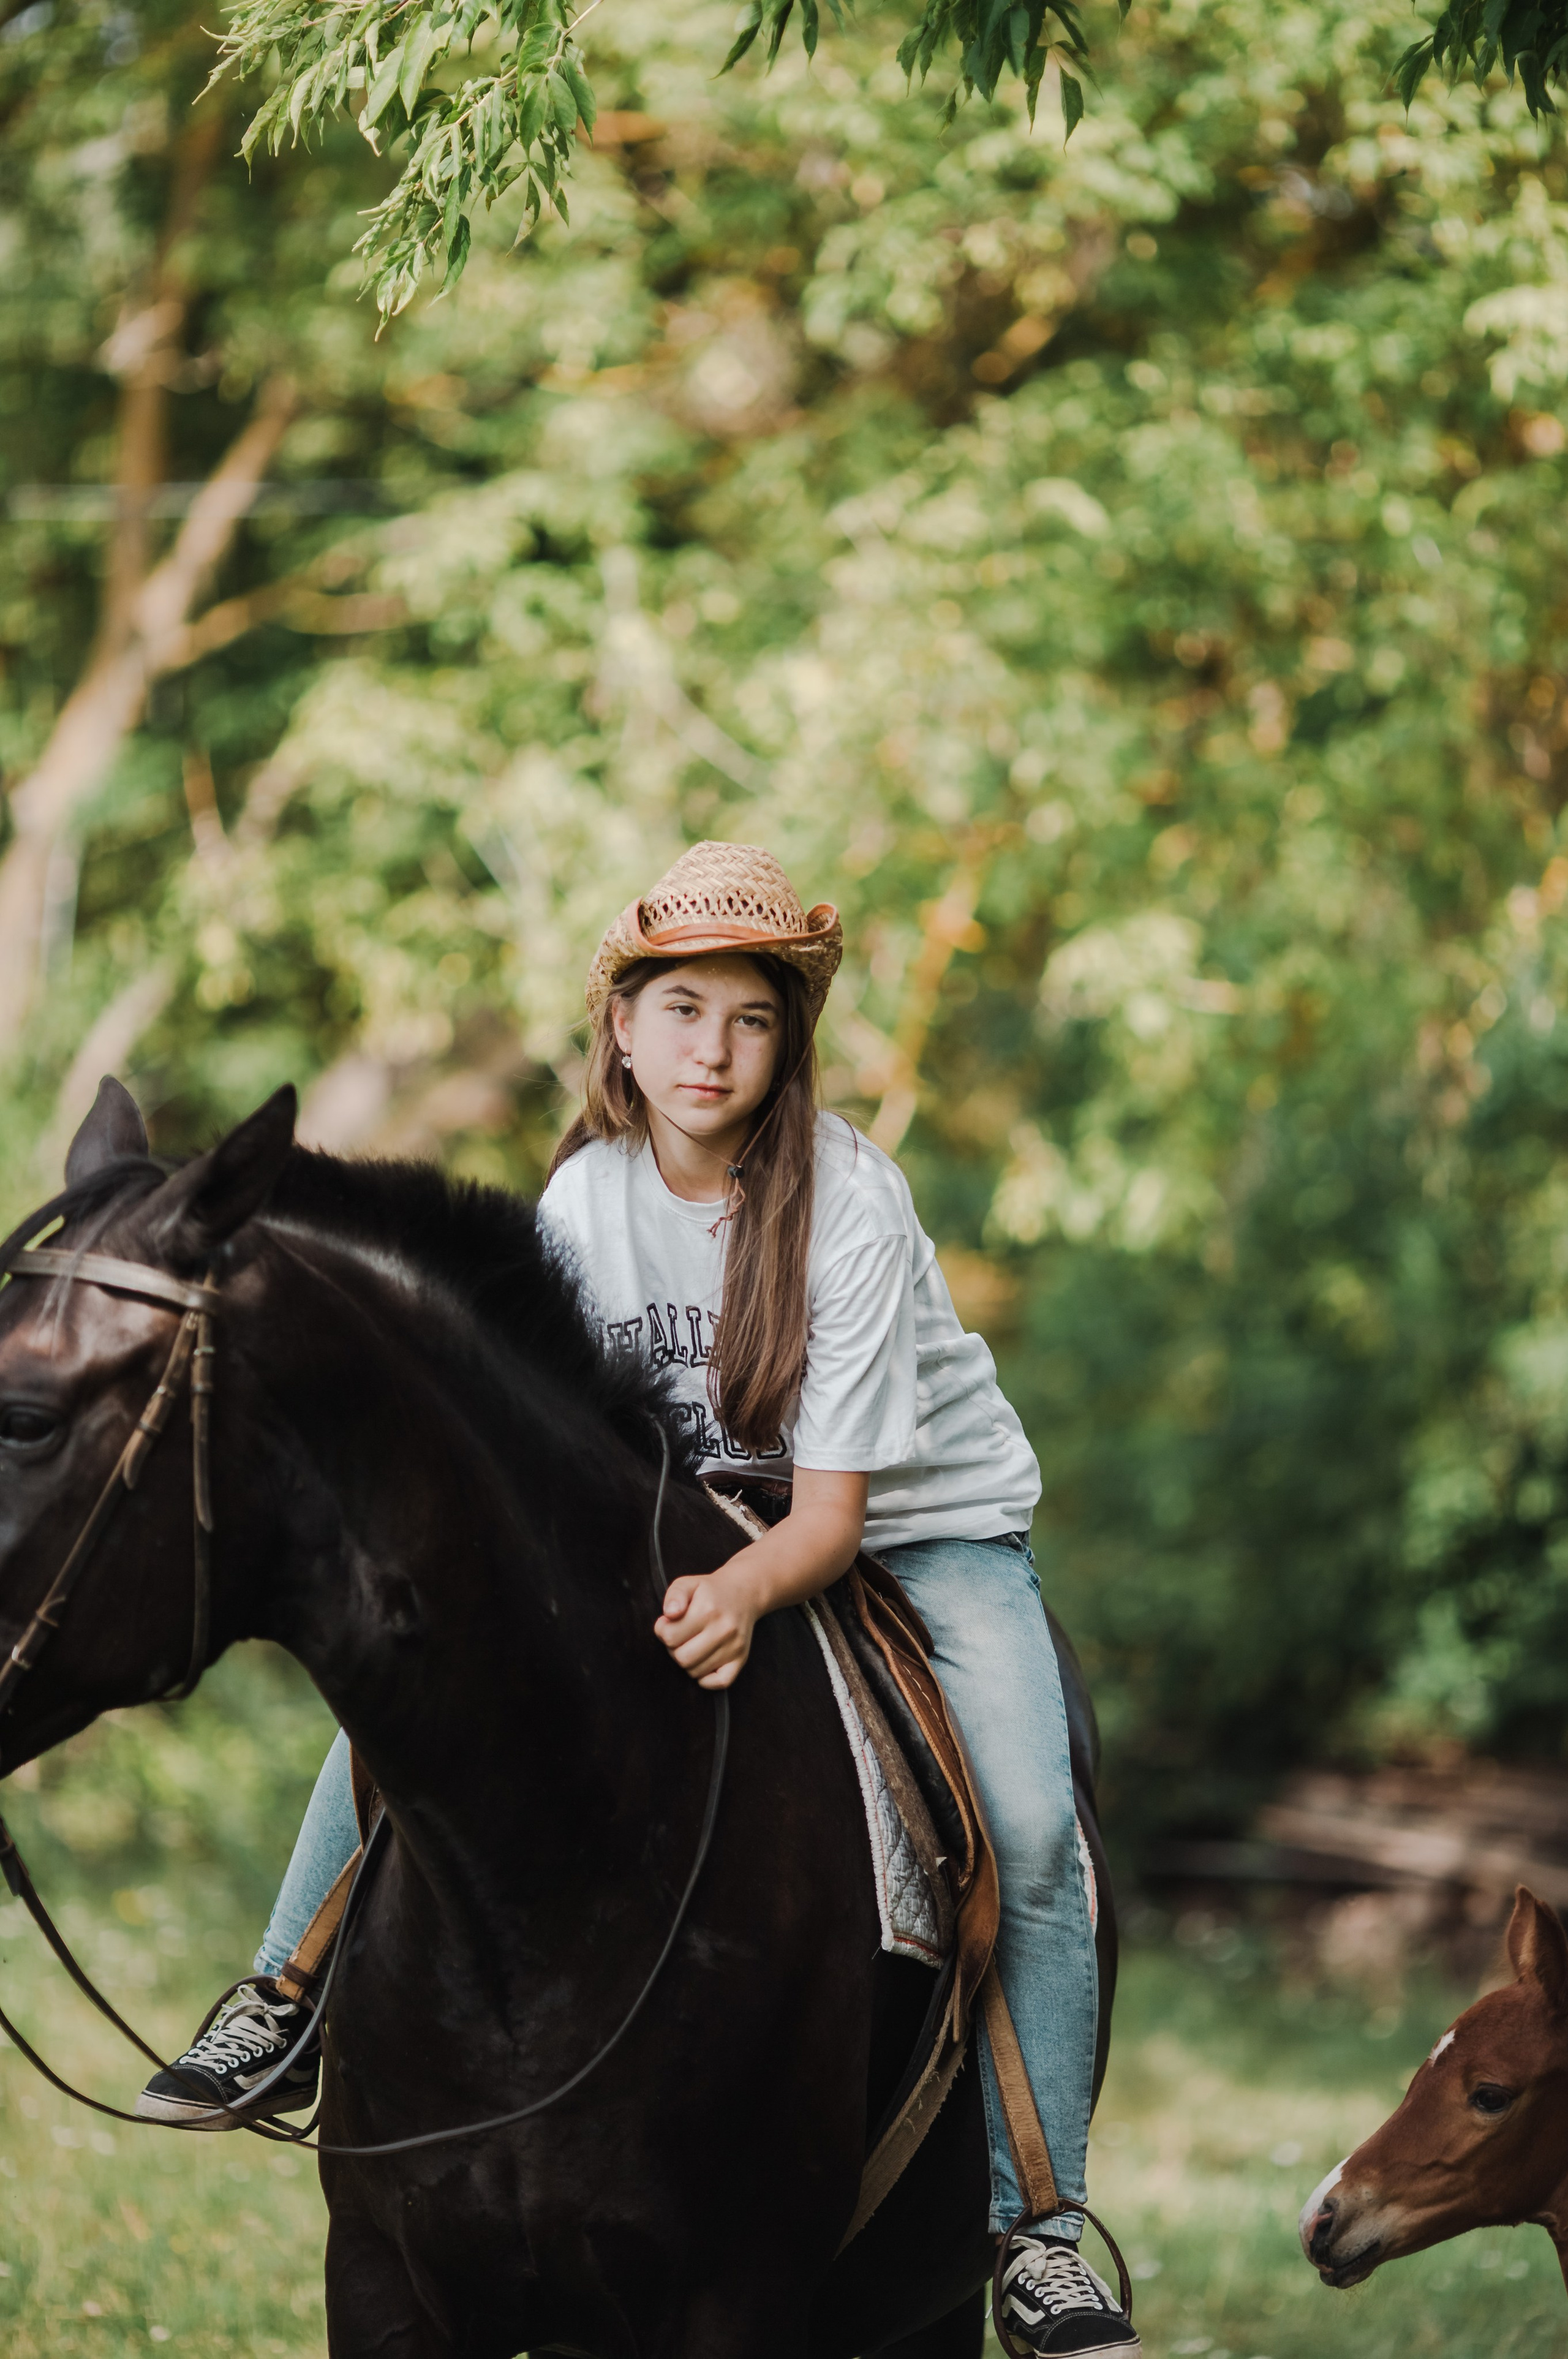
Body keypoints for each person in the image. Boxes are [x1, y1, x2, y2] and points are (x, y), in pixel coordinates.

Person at [137, 842, 1136, 2358]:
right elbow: (563, 1452)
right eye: (678, 1010)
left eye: (748, 1019)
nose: (710, 1050)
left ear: (787, 1040)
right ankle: (281, 1993)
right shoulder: (584, 1200)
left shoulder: (850, 1203)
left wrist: (740, 1591)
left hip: (907, 1534)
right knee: (425, 1693)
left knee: (1036, 1822)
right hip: (682, 1517)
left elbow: (830, 1518)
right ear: (619, 1026)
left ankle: (1038, 2220)